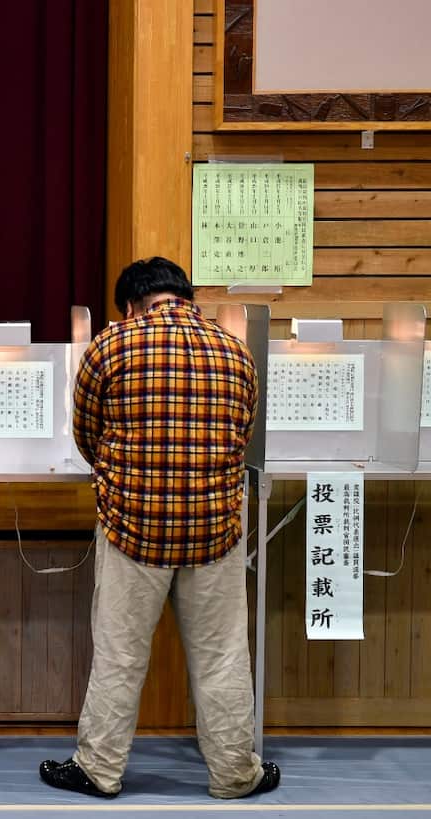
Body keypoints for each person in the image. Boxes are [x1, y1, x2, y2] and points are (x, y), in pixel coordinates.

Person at [39, 258, 280, 800]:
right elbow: (242, 437)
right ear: (185, 297)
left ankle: (99, 770)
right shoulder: (237, 353)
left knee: (120, 654)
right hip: (214, 531)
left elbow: (86, 433)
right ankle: (235, 775)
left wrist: (122, 475)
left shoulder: (111, 345)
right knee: (222, 659)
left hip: (133, 527)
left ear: (130, 305)